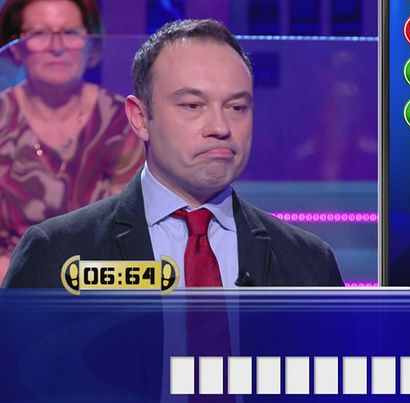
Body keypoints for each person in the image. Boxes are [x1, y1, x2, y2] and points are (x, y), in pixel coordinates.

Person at [2, 19, 344, 288]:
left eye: (237, 107)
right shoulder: (58, 253)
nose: (220, 127)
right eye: (193, 105)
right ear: (140, 118)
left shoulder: (310, 263)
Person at [0, 0, 145, 283]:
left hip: (100, 285)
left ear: (92, 44)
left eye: (70, 33)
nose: (57, 47)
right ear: (16, 47)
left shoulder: (124, 121)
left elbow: (130, 232)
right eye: (39, 33)